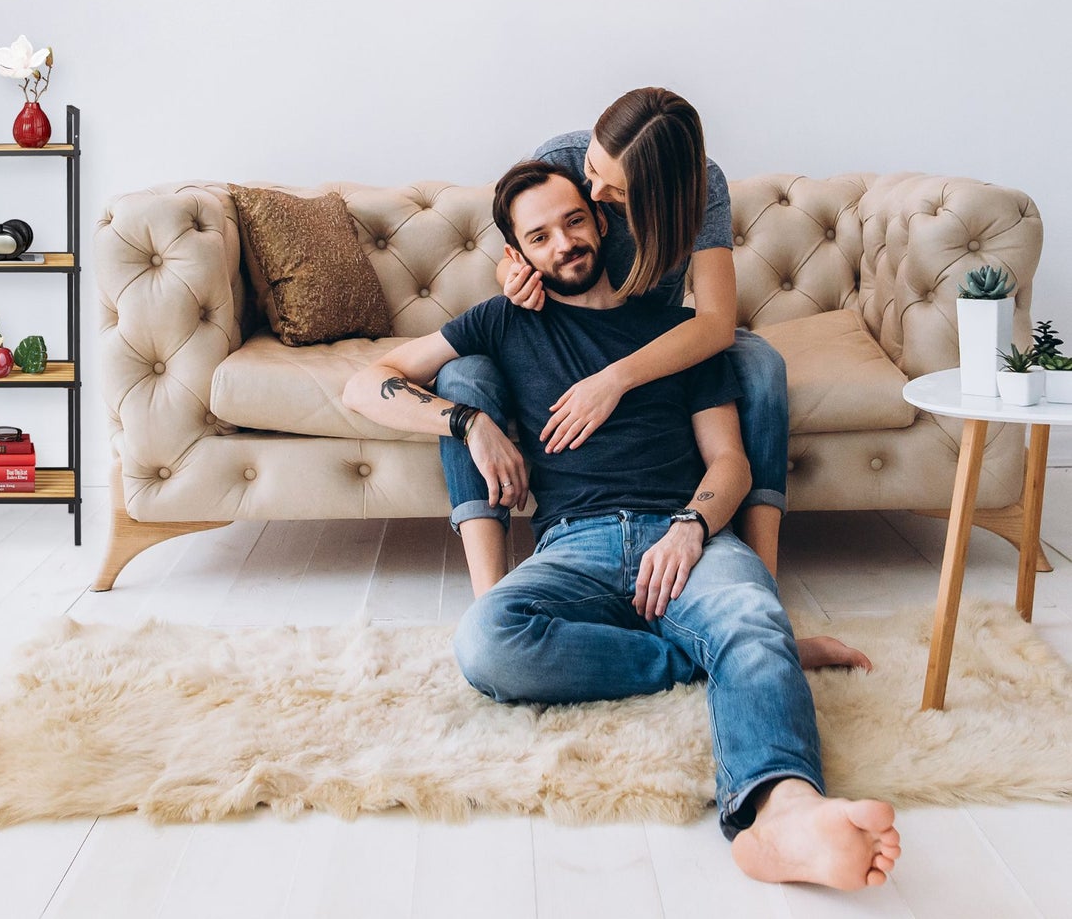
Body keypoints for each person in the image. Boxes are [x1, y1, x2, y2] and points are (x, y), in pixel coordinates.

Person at [343, 162, 900, 890]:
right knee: (485, 640)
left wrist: (691, 528)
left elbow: (729, 462)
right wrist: (467, 419)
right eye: (538, 234)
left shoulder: (678, 332)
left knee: (746, 612)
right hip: (573, 543)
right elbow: (363, 383)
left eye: (574, 221)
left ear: (601, 220)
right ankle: (711, 656)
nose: (564, 243)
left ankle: (786, 813)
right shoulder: (503, 321)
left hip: (684, 534)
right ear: (515, 253)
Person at [437, 87, 865, 671]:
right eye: (592, 172)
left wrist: (613, 380)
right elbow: (519, 245)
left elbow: (715, 323)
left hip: (660, 338)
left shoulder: (701, 191)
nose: (594, 192)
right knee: (462, 376)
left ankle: (761, 605)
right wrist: (511, 275)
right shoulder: (563, 159)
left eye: (614, 191)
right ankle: (490, 599)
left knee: (760, 364)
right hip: (562, 333)